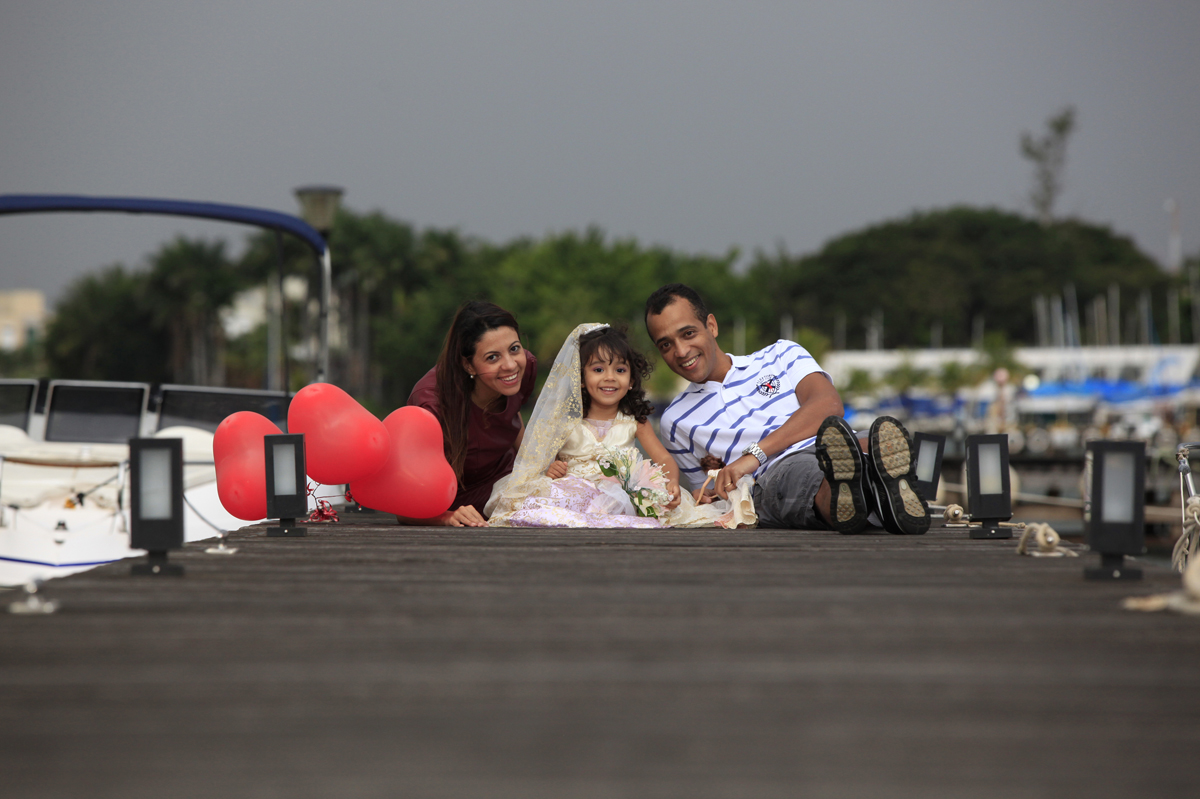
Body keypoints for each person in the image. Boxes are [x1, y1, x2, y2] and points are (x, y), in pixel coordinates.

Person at [644, 283, 929, 534]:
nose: (681, 352)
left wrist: (753, 455)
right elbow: (703, 493)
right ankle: (872, 494)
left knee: (869, 440)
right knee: (806, 474)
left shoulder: (781, 354)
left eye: (688, 333)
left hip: (834, 442)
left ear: (712, 326)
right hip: (775, 473)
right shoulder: (675, 420)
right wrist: (709, 494)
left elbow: (828, 405)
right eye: (666, 345)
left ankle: (867, 493)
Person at [486, 323, 755, 528]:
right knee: (537, 503)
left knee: (660, 509)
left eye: (620, 370)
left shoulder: (633, 419)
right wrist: (551, 466)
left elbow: (663, 458)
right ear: (580, 378)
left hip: (624, 492)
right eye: (598, 369)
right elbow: (542, 459)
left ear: (631, 379)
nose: (610, 378)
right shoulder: (568, 420)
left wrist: (671, 482)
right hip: (574, 489)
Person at [405, 301, 537, 527]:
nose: (510, 365)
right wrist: (446, 517)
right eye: (493, 357)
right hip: (456, 505)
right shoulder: (431, 406)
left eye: (514, 348)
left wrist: (535, 465)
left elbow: (512, 415)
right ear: (468, 365)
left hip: (507, 482)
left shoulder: (523, 369)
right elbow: (405, 507)